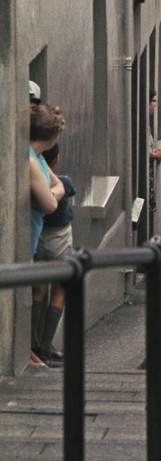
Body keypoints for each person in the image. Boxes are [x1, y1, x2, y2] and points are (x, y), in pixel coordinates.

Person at [29, 102, 66, 368]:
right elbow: (51, 202)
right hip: (31, 228)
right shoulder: (31, 160)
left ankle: (32, 348)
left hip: (36, 227)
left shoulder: (38, 158)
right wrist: (52, 195)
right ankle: (29, 349)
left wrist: (52, 193)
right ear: (51, 135)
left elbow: (58, 185)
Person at [32, 142, 75, 367]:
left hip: (39, 240)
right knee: (60, 291)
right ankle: (46, 346)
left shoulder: (32, 183)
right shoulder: (63, 182)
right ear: (56, 159)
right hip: (60, 242)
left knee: (39, 290)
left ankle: (32, 343)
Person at [149, 91, 161, 217]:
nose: (155, 104)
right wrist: (154, 154)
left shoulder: (147, 123)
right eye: (153, 101)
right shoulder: (143, 123)